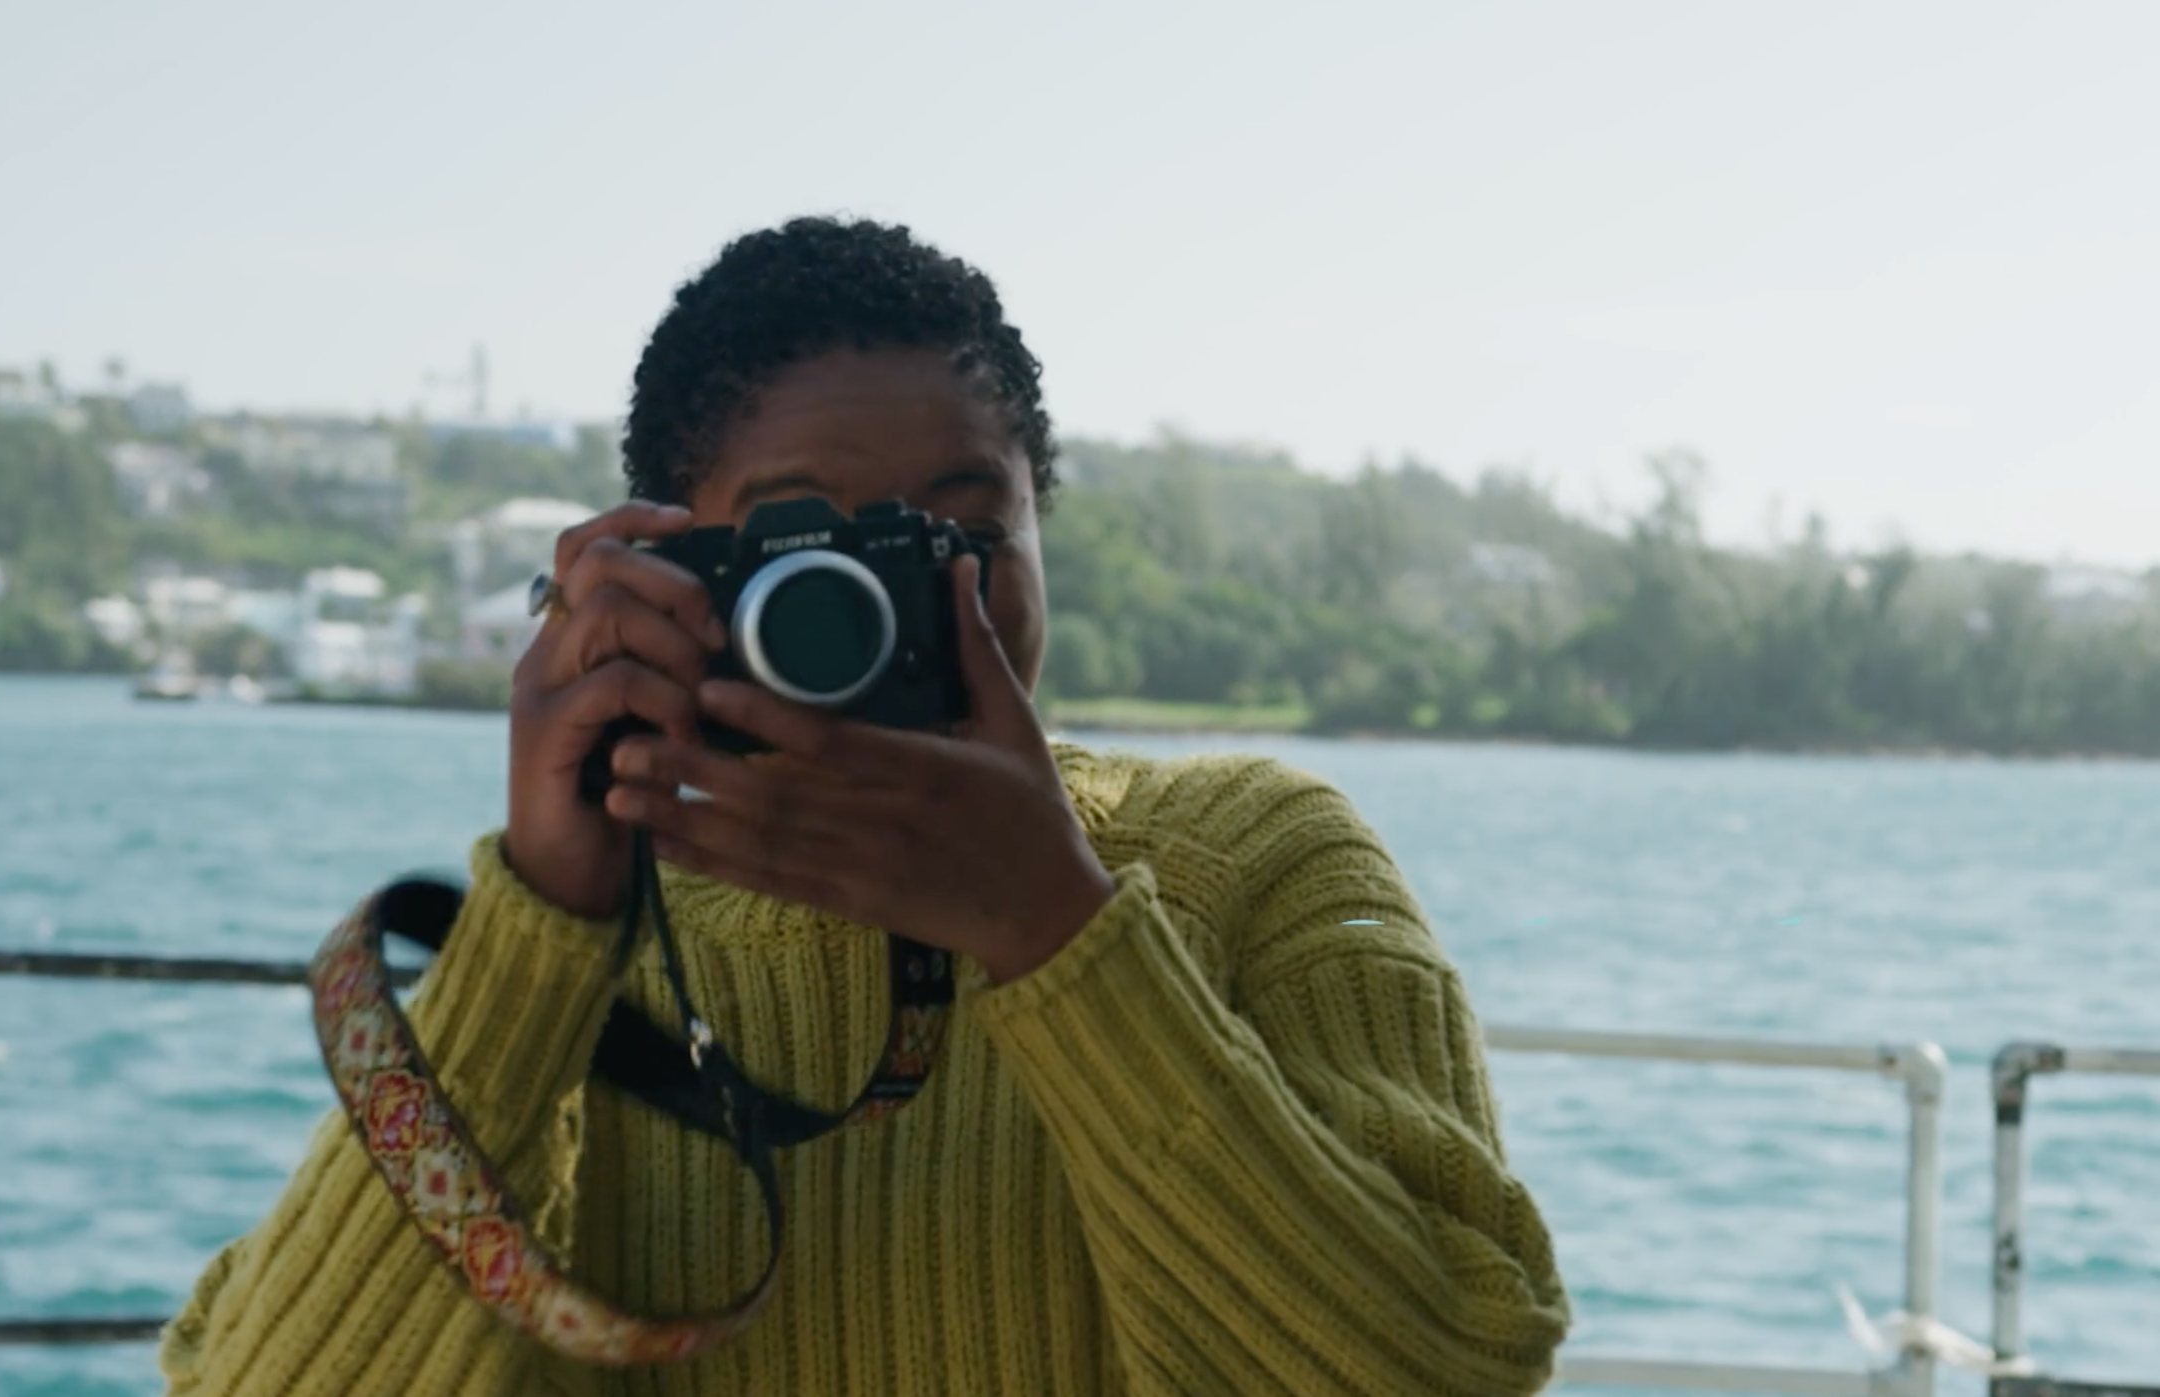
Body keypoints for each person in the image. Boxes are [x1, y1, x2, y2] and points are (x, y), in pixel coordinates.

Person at [160, 216, 1570, 1396]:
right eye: (801, 540)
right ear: (661, 563)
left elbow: (1447, 1367)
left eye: (960, 531)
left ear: (1039, 530)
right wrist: (540, 920)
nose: (893, 596)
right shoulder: (576, 955)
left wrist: (1059, 936)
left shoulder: (1249, 868)